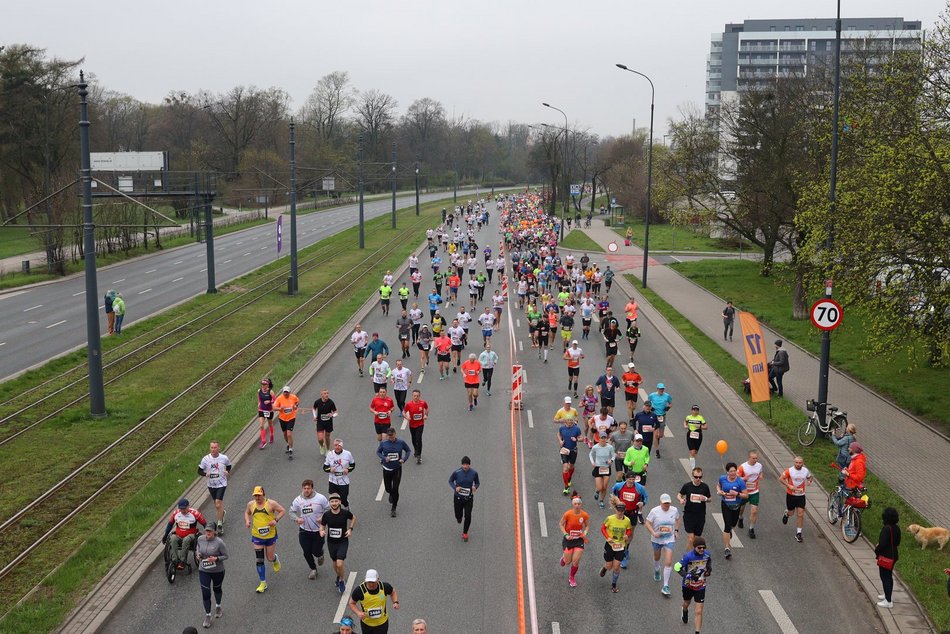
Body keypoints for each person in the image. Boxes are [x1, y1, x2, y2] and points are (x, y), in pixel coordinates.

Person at [244, 486, 285, 593]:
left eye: (259, 495)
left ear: (263, 494)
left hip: (270, 535)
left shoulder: (271, 503)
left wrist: (276, 520)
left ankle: (275, 559)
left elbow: (282, 511)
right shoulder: (251, 504)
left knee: (269, 558)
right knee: (259, 560)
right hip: (257, 535)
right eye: (255, 495)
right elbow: (247, 512)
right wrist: (247, 521)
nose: (257, 497)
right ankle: (263, 582)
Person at [290, 479, 330, 580]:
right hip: (304, 530)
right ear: (302, 488)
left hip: (318, 530)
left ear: (312, 488)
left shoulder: (320, 498)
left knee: (315, 551)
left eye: (308, 488)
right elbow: (291, 512)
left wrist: (322, 518)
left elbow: (329, 509)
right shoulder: (298, 500)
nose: (306, 490)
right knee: (306, 551)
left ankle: (320, 554)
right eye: (304, 488)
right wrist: (297, 519)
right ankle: (313, 569)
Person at [645, 493, 681, 597]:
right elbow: (647, 523)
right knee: (657, 557)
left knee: (668, 561)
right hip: (657, 539)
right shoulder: (654, 511)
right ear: (660, 502)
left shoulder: (674, 510)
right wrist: (653, 533)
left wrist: (676, 531)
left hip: (669, 539)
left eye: (668, 503)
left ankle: (665, 586)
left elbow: (678, 520)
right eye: (665, 503)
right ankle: (657, 569)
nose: (667, 505)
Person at [320, 493, 355, 594]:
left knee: (340, 564)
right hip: (331, 542)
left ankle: (341, 580)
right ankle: (339, 575)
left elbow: (353, 518)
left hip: (343, 541)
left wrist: (350, 529)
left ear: (339, 502)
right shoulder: (326, 515)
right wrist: (321, 531)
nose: (334, 503)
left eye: (336, 501)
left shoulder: (345, 513)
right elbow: (322, 526)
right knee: (335, 564)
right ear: (329, 503)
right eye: (332, 502)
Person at [611, 472, 648, 568]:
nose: (631, 481)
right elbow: (613, 493)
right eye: (629, 479)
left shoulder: (639, 488)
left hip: (633, 513)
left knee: (630, 533)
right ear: (626, 479)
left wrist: (642, 503)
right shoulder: (619, 486)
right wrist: (616, 501)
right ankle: (621, 552)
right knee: (620, 531)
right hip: (622, 512)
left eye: (633, 479)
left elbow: (645, 497)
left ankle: (626, 548)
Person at [675, 536, 712, 632]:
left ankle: (697, 631)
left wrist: (708, 571)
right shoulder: (688, 556)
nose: (702, 549)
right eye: (699, 548)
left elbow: (709, 564)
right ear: (694, 547)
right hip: (688, 585)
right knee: (687, 603)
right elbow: (676, 567)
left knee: (699, 611)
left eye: (704, 547)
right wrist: (687, 575)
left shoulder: (707, 555)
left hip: (701, 586)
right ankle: (684, 610)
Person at [195, 522, 228, 629]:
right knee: (206, 593)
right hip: (204, 570)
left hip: (217, 571)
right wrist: (198, 555)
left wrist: (216, 559)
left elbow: (226, 556)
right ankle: (208, 615)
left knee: (217, 589)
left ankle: (218, 606)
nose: (207, 532)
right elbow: (198, 549)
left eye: (210, 531)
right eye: (206, 530)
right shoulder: (200, 539)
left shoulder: (219, 542)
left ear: (214, 531)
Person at [348, 569, 399, 633]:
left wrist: (395, 602)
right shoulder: (360, 590)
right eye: (369, 582)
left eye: (373, 582)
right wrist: (358, 612)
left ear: (378, 579)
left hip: (382, 623)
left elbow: (393, 592)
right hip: (367, 624)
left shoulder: (384, 587)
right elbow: (351, 603)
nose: (371, 584)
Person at [198, 441, 232, 534]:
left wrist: (227, 471)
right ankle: (222, 513)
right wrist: (205, 474)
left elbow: (229, 465)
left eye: (215, 447)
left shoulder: (224, 458)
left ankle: (219, 525)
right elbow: (199, 471)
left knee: (218, 504)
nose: (213, 449)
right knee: (217, 506)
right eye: (212, 447)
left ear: (218, 448)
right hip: (211, 484)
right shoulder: (205, 459)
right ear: (210, 448)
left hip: (222, 483)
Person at [163, 498, 207, 570]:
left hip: (191, 536)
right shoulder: (176, 513)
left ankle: (182, 561)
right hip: (178, 535)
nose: (182, 511)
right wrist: (165, 535)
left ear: (188, 506)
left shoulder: (195, 513)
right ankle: (175, 560)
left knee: (186, 539)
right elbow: (170, 524)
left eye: (184, 509)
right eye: (181, 509)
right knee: (173, 538)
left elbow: (205, 524)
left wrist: (207, 535)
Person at [599, 502, 633, 593]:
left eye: (622, 510)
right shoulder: (609, 519)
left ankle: (614, 585)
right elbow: (602, 528)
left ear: (624, 510)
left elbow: (629, 530)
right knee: (609, 566)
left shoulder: (627, 520)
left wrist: (627, 535)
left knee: (617, 566)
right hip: (610, 545)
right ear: (615, 510)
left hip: (621, 546)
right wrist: (607, 537)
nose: (620, 512)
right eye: (618, 510)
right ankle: (605, 568)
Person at [377, 428, 411, 517]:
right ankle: (391, 494)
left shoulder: (401, 442)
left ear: (395, 434)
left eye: (392, 435)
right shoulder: (384, 443)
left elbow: (408, 450)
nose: (390, 437)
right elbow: (378, 452)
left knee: (395, 489)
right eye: (389, 436)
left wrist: (404, 459)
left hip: (397, 469)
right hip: (387, 469)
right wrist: (384, 458)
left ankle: (394, 508)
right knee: (388, 489)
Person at [716, 462, 748, 559]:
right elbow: (718, 486)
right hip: (726, 504)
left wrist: (737, 494)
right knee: (727, 525)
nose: (733, 473)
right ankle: (727, 548)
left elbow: (746, 495)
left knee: (733, 524)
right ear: (727, 472)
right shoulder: (722, 478)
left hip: (736, 505)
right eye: (731, 471)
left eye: (735, 471)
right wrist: (719, 491)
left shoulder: (740, 482)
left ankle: (730, 529)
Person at [558, 495, 591, 588]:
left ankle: (572, 577)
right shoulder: (568, 514)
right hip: (568, 540)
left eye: (579, 504)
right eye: (575, 504)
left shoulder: (584, 515)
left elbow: (587, 526)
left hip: (579, 540)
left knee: (576, 561)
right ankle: (564, 558)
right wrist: (566, 534)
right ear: (573, 504)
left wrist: (585, 532)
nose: (577, 505)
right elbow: (561, 524)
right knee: (567, 562)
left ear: (581, 504)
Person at [779, 456, 813, 542]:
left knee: (800, 514)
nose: (798, 464)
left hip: (801, 495)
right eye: (796, 463)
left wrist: (809, 481)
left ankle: (798, 534)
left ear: (803, 463)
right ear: (794, 463)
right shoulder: (789, 471)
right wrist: (788, 485)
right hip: (791, 495)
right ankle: (787, 513)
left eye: (800, 463)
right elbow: (781, 478)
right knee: (791, 513)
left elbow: (810, 477)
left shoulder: (805, 471)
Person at [449, 456, 480, 541]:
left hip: (468, 498)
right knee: (458, 515)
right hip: (458, 498)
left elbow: (477, 483)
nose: (465, 466)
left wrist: (475, 487)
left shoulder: (474, 473)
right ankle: (459, 518)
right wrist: (455, 488)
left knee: (468, 515)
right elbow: (450, 481)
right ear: (461, 464)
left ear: (469, 465)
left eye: (467, 464)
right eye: (464, 464)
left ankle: (465, 533)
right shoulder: (457, 472)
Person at [678, 468, 711, 550]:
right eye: (696, 477)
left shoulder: (705, 487)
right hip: (689, 515)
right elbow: (679, 494)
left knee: (696, 540)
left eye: (700, 477)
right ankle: (687, 558)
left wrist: (705, 499)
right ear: (692, 476)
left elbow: (710, 498)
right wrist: (681, 499)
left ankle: (693, 556)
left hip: (700, 516)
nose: (698, 479)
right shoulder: (687, 486)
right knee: (691, 538)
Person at [875, 507, 901, 608]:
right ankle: (887, 594)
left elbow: (881, 544)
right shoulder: (896, 528)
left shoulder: (886, 529)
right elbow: (897, 542)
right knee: (889, 576)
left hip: (886, 556)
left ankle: (888, 601)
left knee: (884, 577)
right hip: (894, 555)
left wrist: (877, 549)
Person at [737, 450, 764, 539]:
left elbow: (760, 472)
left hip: (754, 492)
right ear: (749, 458)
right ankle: (740, 518)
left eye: (756, 458)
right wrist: (743, 478)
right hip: (744, 491)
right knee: (741, 510)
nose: (755, 460)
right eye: (753, 458)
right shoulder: (743, 467)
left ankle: (751, 529)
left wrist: (761, 476)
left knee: (754, 511)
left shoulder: (759, 466)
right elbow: (736, 478)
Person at [324, 438, 356, 507]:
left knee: (343, 500)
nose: (337, 447)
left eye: (339, 446)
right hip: (333, 481)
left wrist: (348, 469)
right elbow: (325, 468)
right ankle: (336, 514)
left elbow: (353, 465)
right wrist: (330, 469)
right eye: (335, 445)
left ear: (342, 446)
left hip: (344, 481)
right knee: (333, 500)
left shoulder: (348, 454)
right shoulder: (330, 454)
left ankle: (347, 507)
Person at [557, 411, 583, 495]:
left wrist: (577, 440)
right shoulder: (562, 428)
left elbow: (581, 438)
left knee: (571, 466)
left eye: (571, 420)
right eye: (567, 420)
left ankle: (569, 479)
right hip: (564, 449)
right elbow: (559, 434)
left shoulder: (577, 429)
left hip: (573, 450)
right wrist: (560, 441)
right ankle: (566, 487)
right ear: (565, 421)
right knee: (565, 467)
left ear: (573, 421)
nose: (569, 422)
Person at [402, 389, 429, 463]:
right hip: (412, 424)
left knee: (418, 439)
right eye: (414, 396)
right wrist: (406, 417)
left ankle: (419, 456)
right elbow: (403, 412)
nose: (416, 397)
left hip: (420, 424)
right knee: (414, 439)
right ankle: (416, 450)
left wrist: (426, 415)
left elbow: (427, 408)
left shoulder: (423, 403)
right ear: (412, 396)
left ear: (419, 396)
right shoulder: (409, 404)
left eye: (417, 396)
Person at [273, 386, 299, 459]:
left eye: (287, 392)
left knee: (289, 434)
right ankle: (288, 443)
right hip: (282, 419)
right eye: (284, 392)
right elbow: (274, 408)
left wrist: (295, 406)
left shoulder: (293, 397)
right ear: (283, 392)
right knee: (285, 434)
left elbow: (297, 401)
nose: (286, 394)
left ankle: (290, 449)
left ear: (289, 392)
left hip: (291, 418)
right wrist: (280, 408)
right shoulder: (279, 398)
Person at [589, 434, 615, 508]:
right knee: (600, 487)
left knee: (605, 486)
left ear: (606, 439)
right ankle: (597, 491)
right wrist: (592, 462)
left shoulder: (610, 447)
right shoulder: (595, 447)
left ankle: (601, 501)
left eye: (604, 438)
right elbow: (590, 454)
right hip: (598, 467)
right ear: (599, 439)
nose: (603, 440)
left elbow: (614, 455)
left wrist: (611, 460)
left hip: (606, 467)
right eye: (601, 438)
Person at [648, 383, 673, 458]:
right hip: (654, 415)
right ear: (657, 389)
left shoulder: (667, 396)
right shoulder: (652, 395)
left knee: (660, 435)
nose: (661, 390)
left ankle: (657, 440)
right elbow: (647, 402)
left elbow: (671, 403)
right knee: (655, 434)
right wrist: (650, 408)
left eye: (662, 389)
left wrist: (668, 407)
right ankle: (657, 451)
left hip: (662, 416)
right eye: (660, 389)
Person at [312, 389, 338, 455]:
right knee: (320, 438)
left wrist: (332, 415)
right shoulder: (317, 402)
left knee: (327, 437)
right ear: (321, 395)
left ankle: (328, 449)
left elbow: (336, 412)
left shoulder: (331, 402)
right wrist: (315, 416)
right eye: (325, 393)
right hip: (320, 422)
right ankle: (321, 445)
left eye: (327, 393)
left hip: (328, 422)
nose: (326, 395)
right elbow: (313, 408)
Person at [684, 405, 708, 470]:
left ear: (698, 411)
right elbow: (685, 422)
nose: (695, 411)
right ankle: (693, 468)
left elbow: (706, 427)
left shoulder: (700, 418)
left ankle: (692, 459)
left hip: (698, 435)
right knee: (692, 452)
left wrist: (700, 427)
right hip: (690, 434)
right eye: (694, 410)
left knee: (695, 452)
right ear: (691, 410)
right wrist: (685, 426)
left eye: (697, 410)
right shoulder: (688, 417)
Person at [257, 378, 277, 449]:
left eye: (264, 384)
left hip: (269, 410)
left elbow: (275, 400)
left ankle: (271, 435)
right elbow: (259, 399)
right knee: (261, 426)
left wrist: (269, 402)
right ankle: (263, 441)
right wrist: (259, 404)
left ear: (267, 385)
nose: (263, 386)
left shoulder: (270, 392)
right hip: (261, 410)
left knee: (270, 424)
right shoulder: (259, 391)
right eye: (262, 384)